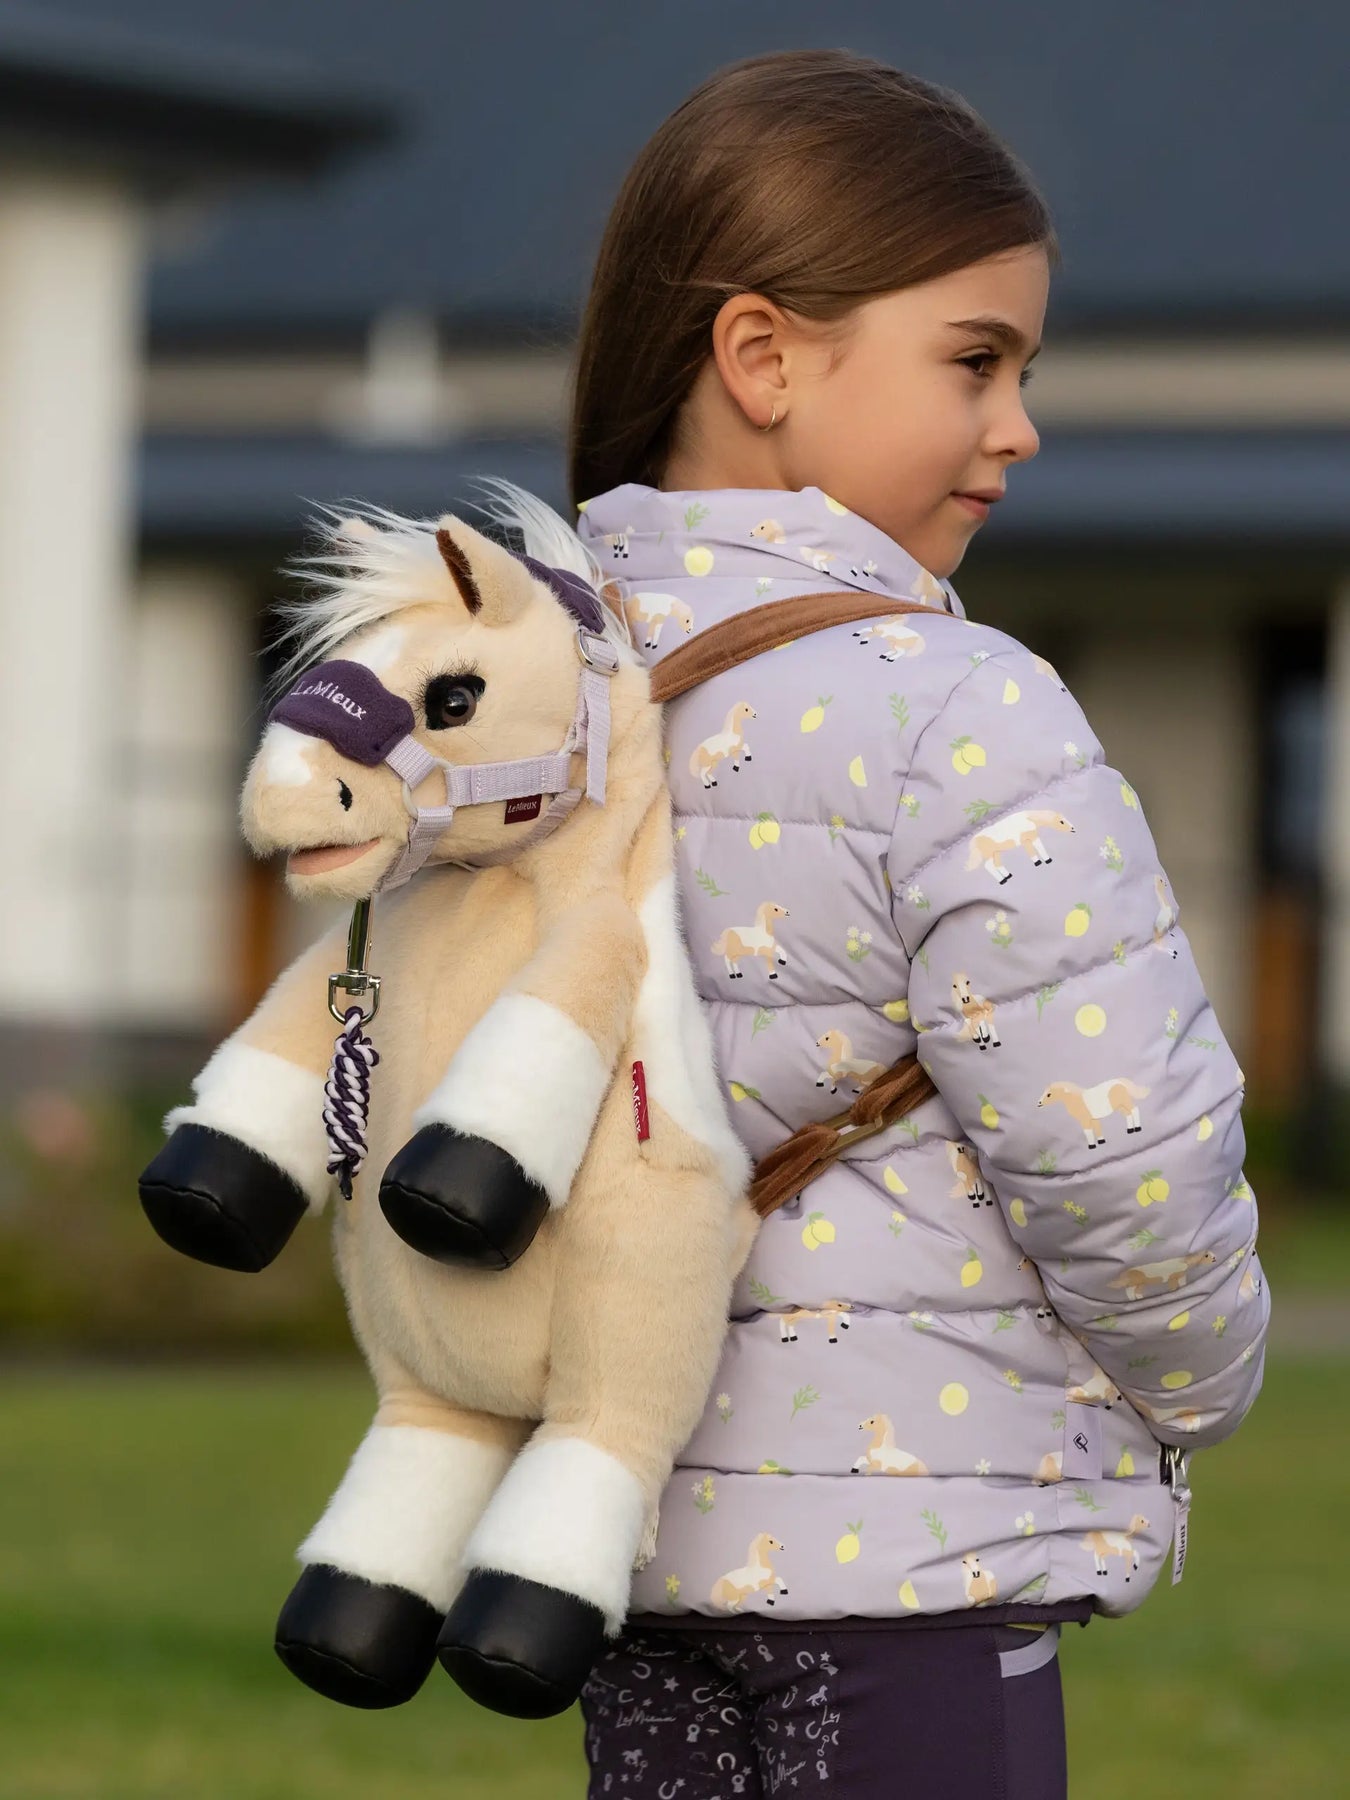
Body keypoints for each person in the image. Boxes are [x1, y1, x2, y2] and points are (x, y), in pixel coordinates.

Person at [567, 48, 1270, 1798]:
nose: (1017, 424)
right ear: (760, 356)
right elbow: (1117, 1150)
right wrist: (1202, 1375)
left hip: (607, 1544)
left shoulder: (525, 689)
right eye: (975, 360)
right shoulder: (956, 708)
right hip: (914, 1570)